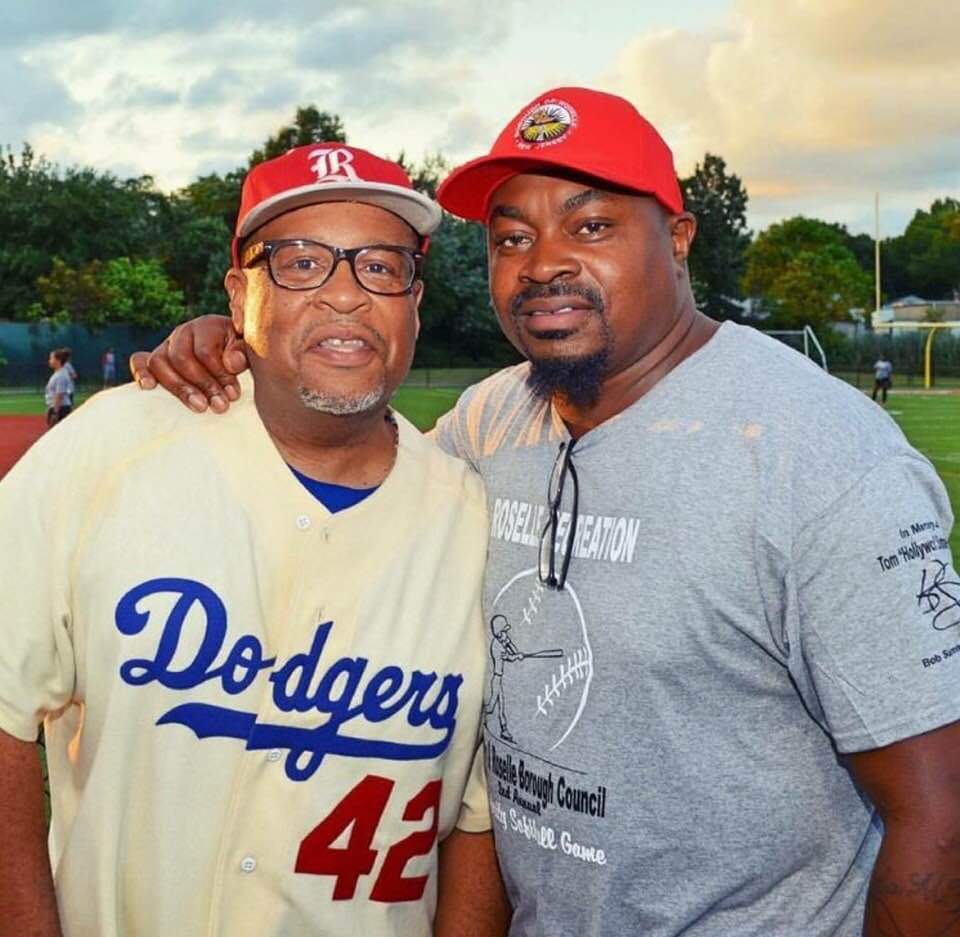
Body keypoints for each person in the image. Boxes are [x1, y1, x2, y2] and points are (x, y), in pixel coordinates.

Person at [129, 88, 960, 936]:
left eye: (590, 226)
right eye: (511, 238)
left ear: (678, 239)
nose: (542, 263)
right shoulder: (492, 422)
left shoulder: (820, 457)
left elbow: (940, 814)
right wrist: (243, 342)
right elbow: (356, 469)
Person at [0, 144, 509, 937]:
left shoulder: (474, 521)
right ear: (240, 295)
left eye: (380, 266)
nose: (345, 294)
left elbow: (477, 820)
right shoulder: (108, 449)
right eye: (301, 262)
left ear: (415, 301)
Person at [44, 348, 74, 426]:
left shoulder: (61, 375)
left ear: (58, 360)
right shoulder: (58, 373)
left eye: (51, 358)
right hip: (57, 407)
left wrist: (55, 412)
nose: (49, 361)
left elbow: (59, 395)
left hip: (61, 409)